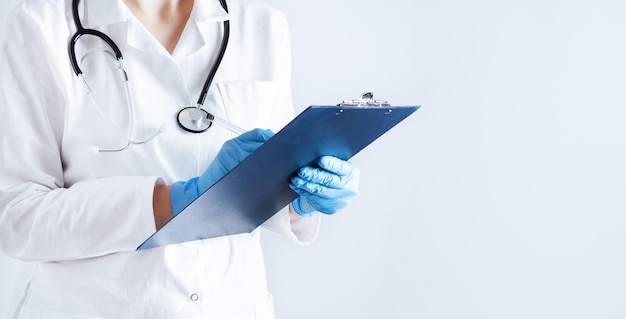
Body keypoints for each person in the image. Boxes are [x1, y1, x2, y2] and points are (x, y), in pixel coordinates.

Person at [0, 0, 359, 317]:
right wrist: (179, 201)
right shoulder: (39, 27)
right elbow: (16, 214)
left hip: (230, 305)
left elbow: (270, 182)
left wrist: (302, 199)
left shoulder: (262, 25)